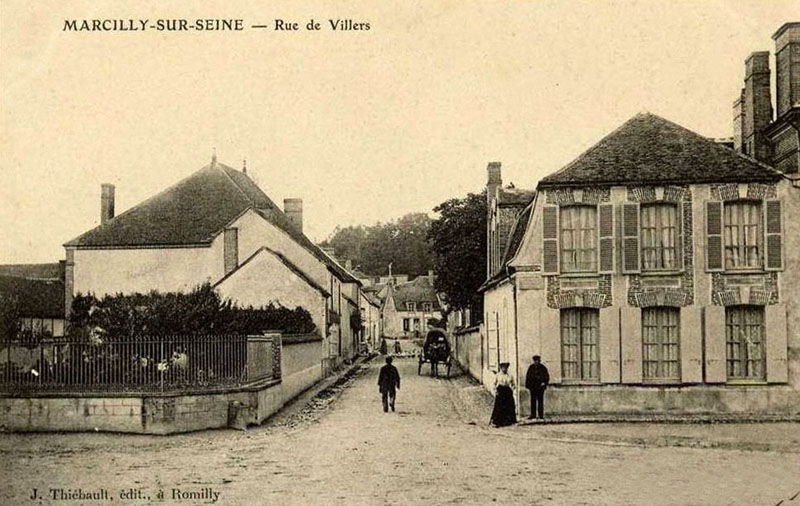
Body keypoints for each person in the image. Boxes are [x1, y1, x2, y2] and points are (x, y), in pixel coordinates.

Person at [490, 362, 517, 427]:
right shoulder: (498, 375)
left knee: (509, 405)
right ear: (501, 368)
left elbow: (513, 384)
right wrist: (495, 391)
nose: (505, 369)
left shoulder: (510, 375)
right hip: (500, 390)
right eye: (503, 368)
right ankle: (497, 422)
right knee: (499, 406)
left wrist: (512, 389)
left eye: (506, 368)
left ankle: (508, 421)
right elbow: (494, 384)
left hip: (507, 391)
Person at [525, 355, 550, 420]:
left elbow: (546, 377)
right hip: (533, 387)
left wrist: (544, 383)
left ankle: (540, 415)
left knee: (540, 401)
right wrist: (528, 386)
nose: (536, 362)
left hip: (540, 388)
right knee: (533, 401)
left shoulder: (543, 368)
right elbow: (528, 377)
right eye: (535, 361)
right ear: (534, 361)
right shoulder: (531, 368)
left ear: (539, 361)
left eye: (538, 361)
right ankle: (533, 414)